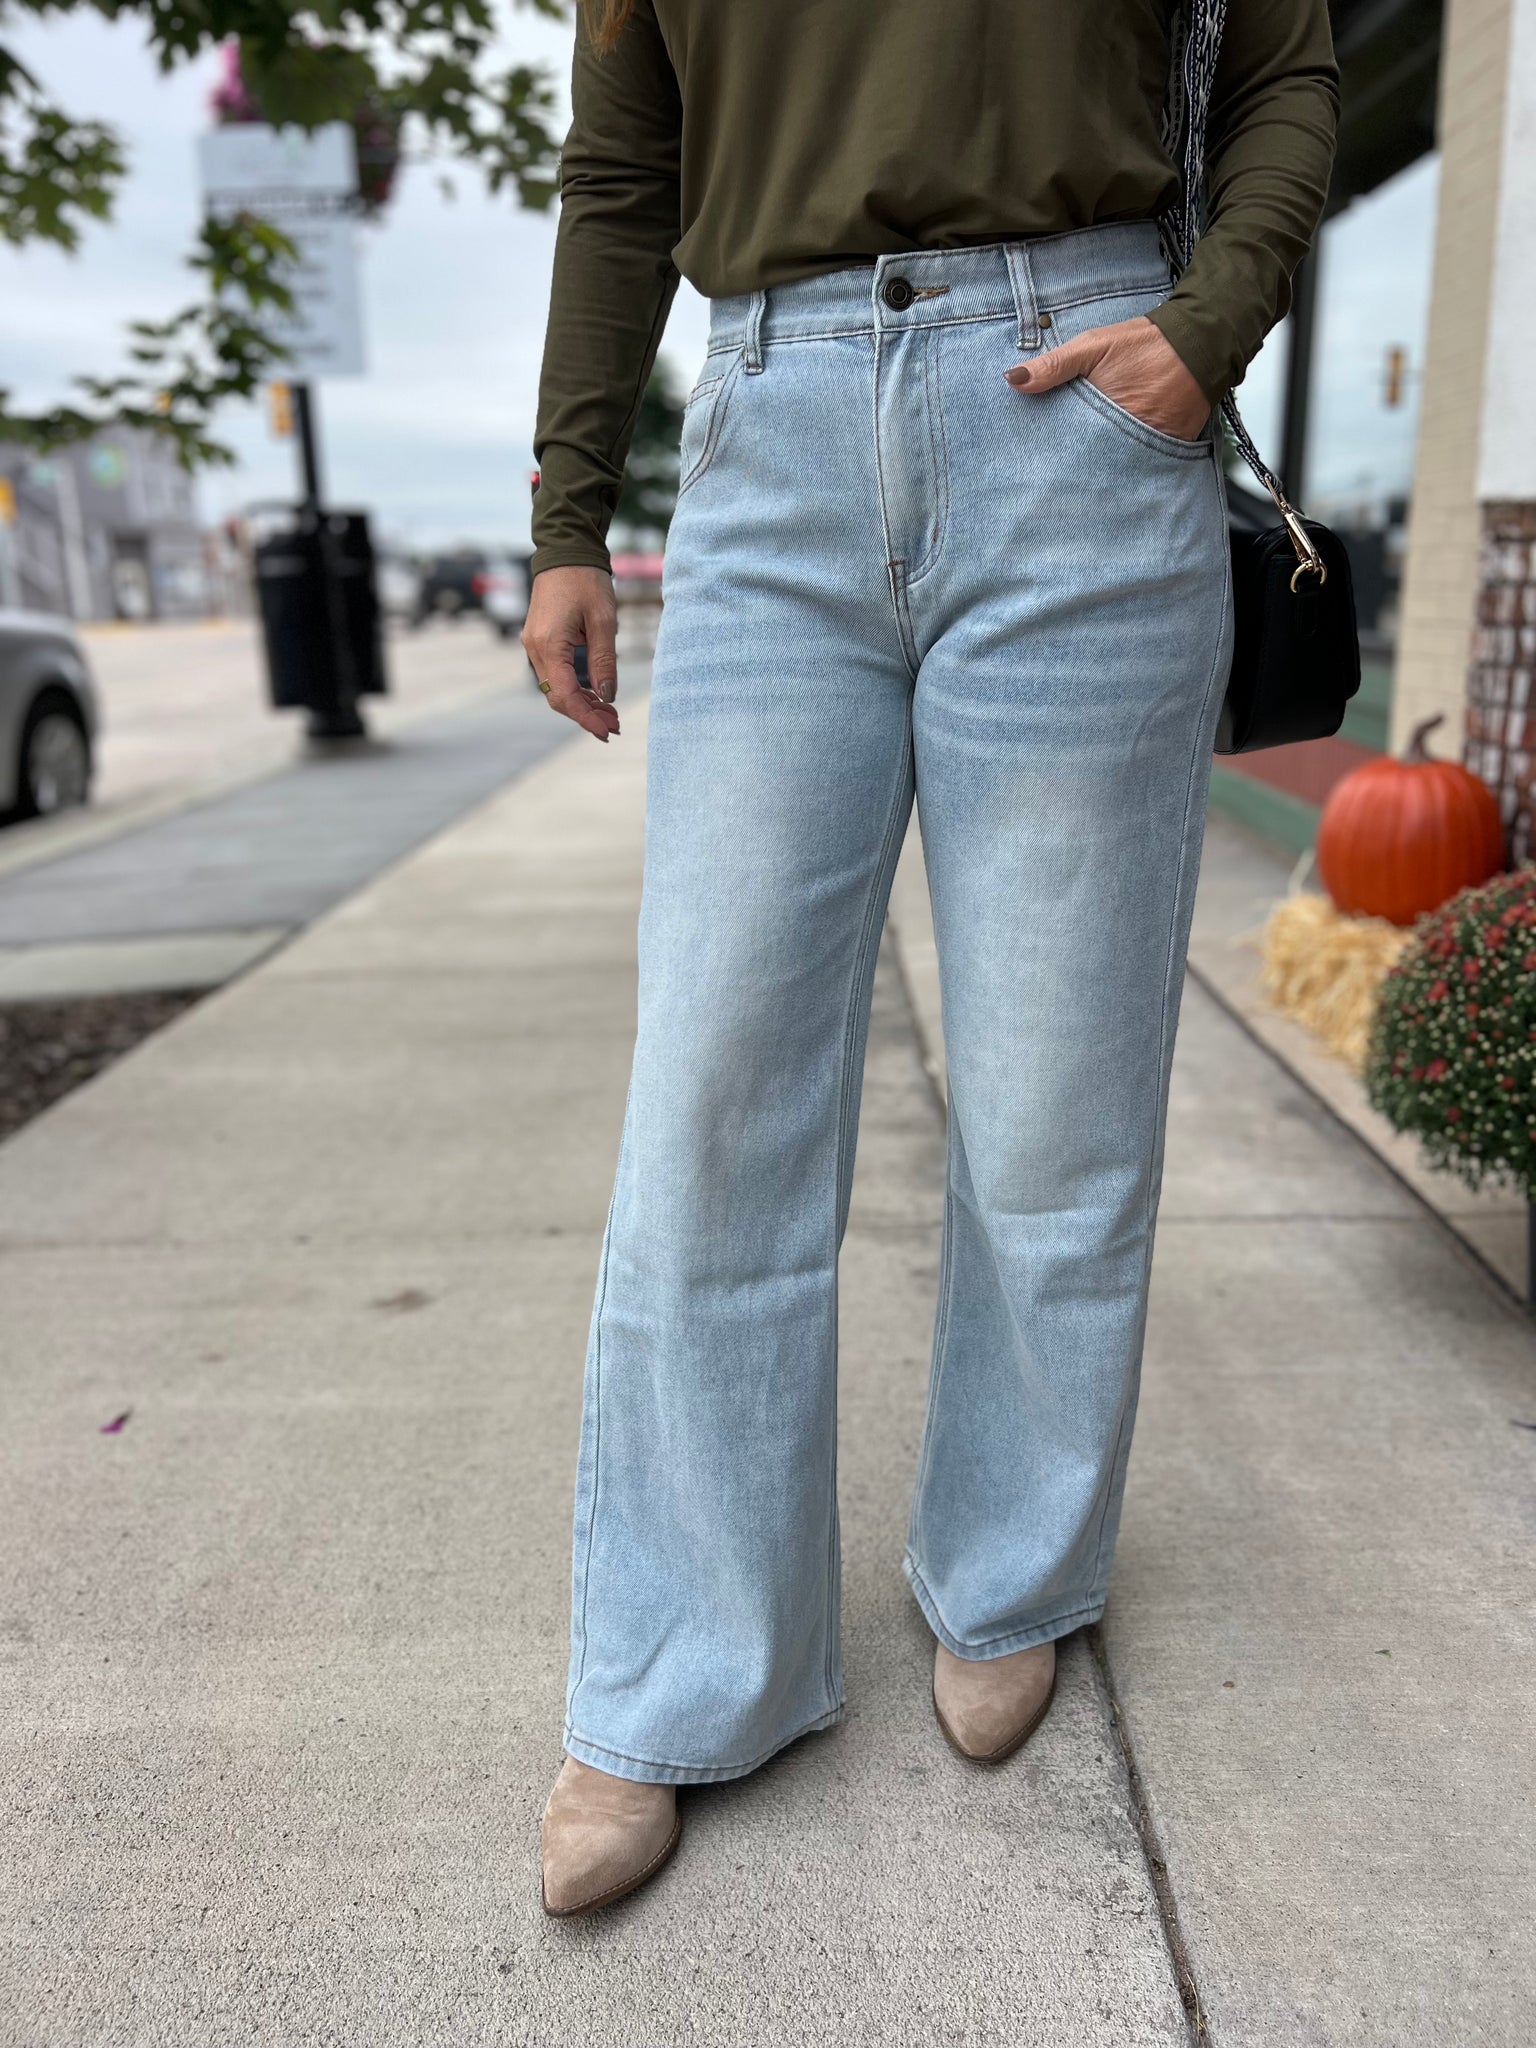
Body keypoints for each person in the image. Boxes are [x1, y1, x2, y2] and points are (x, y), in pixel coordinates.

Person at [523, 0, 1338, 1917]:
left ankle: (1012, 1570)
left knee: (1057, 1099)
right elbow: (624, 167)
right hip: (773, 426)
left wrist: (1209, 323)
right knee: (711, 1097)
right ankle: (680, 1660)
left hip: (1084, 415)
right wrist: (568, 513)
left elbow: (1286, 63)